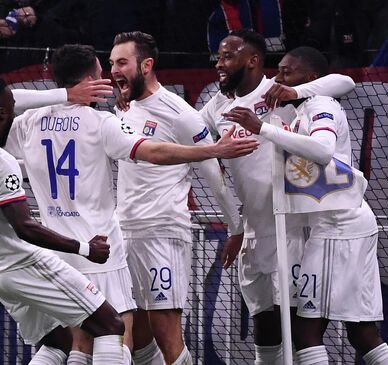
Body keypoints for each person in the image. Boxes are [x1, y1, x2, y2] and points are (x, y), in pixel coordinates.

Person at [6, 44, 258, 365]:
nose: (110, 75)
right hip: (102, 251)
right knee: (115, 336)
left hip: (62, 249)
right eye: (104, 68)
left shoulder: (27, 123)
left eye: (119, 63)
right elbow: (152, 152)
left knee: (79, 342)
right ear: (89, 80)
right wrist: (213, 151)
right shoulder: (100, 122)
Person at [0, 47, 117, 363]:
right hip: (24, 264)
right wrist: (85, 248)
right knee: (110, 325)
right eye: (12, 106)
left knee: (58, 344)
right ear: (4, 112)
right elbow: (25, 227)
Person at [228, 46, 388, 365]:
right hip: (340, 224)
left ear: (311, 77)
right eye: (277, 71)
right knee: (361, 332)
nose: (277, 78)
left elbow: (322, 149)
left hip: (339, 227)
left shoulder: (321, 105)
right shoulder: (297, 109)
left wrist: (263, 128)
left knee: (305, 331)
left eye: (286, 72)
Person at [200, 29, 357, 364]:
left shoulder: (277, 92)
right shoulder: (216, 106)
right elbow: (188, 140)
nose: (219, 64)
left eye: (228, 56)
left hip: (293, 228)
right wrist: (234, 226)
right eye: (219, 56)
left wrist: (294, 90)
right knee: (265, 326)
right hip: (252, 231)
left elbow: (344, 82)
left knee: (299, 332)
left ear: (253, 60)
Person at [109, 31, 248, 365]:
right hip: (124, 232)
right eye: (112, 63)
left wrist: (235, 227)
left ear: (146, 65)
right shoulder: (122, 109)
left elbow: (212, 169)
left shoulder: (180, 112)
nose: (114, 70)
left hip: (162, 232)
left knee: (166, 333)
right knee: (136, 338)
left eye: (122, 62)